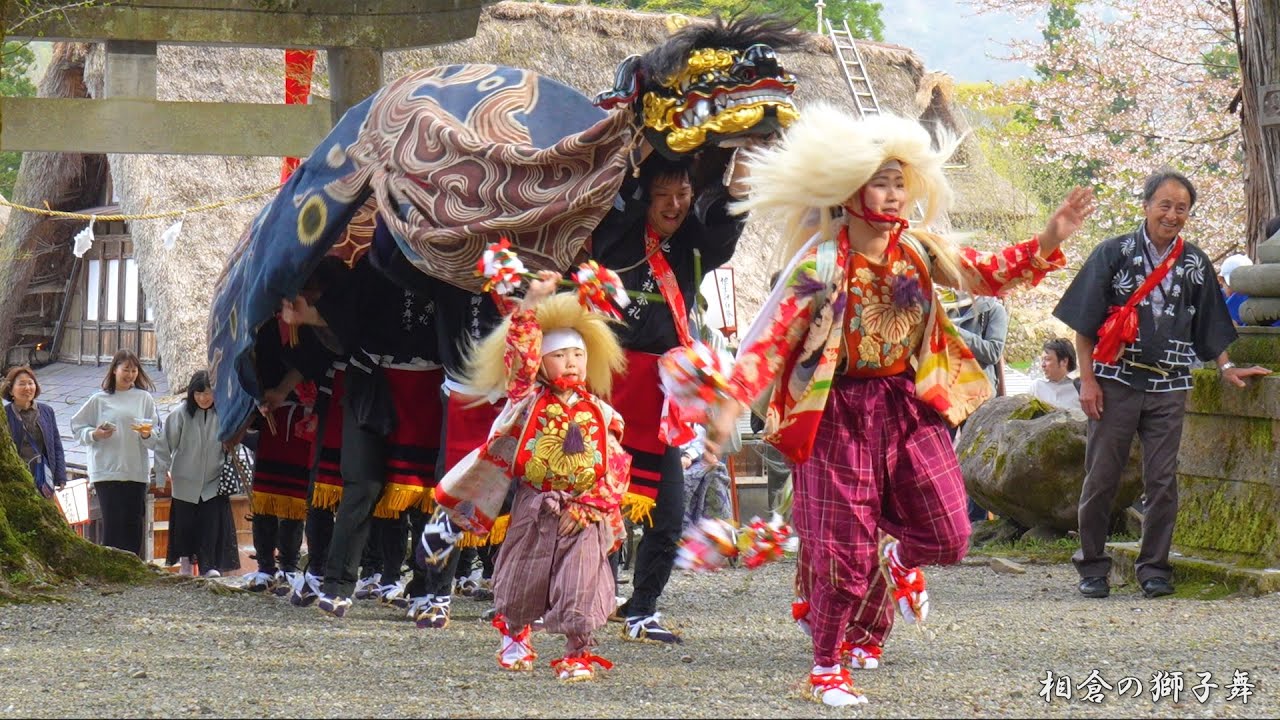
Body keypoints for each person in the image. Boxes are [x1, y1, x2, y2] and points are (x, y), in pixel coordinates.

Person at [705, 107, 1095, 706]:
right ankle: (826, 667)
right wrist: (728, 410)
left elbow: (983, 274)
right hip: (836, 414)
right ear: (850, 189)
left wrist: (1051, 236)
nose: (893, 194)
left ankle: (898, 556)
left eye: (899, 181)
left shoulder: (918, 251)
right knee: (842, 551)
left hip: (908, 405)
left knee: (949, 532)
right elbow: (773, 339)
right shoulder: (822, 265)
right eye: (880, 181)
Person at [1052, 170, 1269, 601]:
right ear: (1146, 205)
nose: (1172, 215)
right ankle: (1092, 567)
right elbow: (1085, 325)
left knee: (1163, 480)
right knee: (1102, 476)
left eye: (1181, 208)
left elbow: (1209, 323)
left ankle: (1153, 567)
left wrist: (1226, 367)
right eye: (1164, 205)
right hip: (1114, 382)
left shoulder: (1194, 262)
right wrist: (1089, 383)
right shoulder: (1113, 253)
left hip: (1170, 384)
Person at [589, 147, 752, 644]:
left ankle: (642, 609)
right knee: (593, 506)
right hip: (608, 389)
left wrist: (739, 183)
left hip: (660, 399)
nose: (675, 204)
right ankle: (584, 598)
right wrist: (638, 160)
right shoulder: (616, 240)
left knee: (667, 509)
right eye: (664, 195)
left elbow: (719, 236)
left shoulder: (686, 248)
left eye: (683, 194)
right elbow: (618, 209)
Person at [457, 273, 628, 682]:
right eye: (560, 355)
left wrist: (591, 505)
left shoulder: (602, 413)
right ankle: (515, 633)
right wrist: (531, 303)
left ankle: (578, 649)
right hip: (537, 503)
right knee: (523, 573)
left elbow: (618, 465)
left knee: (581, 579)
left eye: (578, 354)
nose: (571, 362)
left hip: (584, 513)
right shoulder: (528, 398)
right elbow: (520, 359)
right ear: (542, 362)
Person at [279, 240, 443, 618]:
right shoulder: (375, 262)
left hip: (430, 389)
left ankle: (429, 591)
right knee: (361, 486)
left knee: (427, 495)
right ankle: (336, 584)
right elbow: (346, 327)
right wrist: (314, 317)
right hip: (371, 383)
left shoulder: (452, 262)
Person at [70, 349, 163, 558]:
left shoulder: (144, 398)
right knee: (113, 525)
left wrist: (147, 434)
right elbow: (76, 427)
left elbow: (157, 438)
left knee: (133, 525)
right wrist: (95, 433)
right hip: (106, 471)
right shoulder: (99, 400)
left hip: (135, 471)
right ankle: (111, 571)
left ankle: (134, 572)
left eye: (134, 370)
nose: (129, 374)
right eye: (125, 369)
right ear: (114, 370)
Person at [154, 370, 240, 577]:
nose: (203, 398)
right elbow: (164, 446)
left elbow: (236, 437)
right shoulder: (180, 414)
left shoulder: (223, 413)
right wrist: (159, 475)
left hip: (214, 480)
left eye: (208, 393)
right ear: (192, 393)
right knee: (185, 525)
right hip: (185, 481)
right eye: (198, 393)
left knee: (210, 525)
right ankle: (185, 562)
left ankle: (208, 565)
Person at [3, 365, 66, 501]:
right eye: (22, 384)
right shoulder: (5, 414)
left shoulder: (46, 411)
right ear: (11, 390)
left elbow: (56, 445)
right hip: (17, 480)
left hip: (43, 477)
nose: (27, 388)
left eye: (30, 383)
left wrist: (60, 476)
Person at [1028, 338, 1081, 412]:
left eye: (1047, 359)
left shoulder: (1080, 387)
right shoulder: (1036, 387)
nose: (1042, 365)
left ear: (1064, 361)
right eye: (1042, 360)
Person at [1219, 253, 1253, 325]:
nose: (1240, 290)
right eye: (1235, 286)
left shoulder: (1258, 298)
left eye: (1245, 285)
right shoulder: (1216, 299)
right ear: (1221, 280)